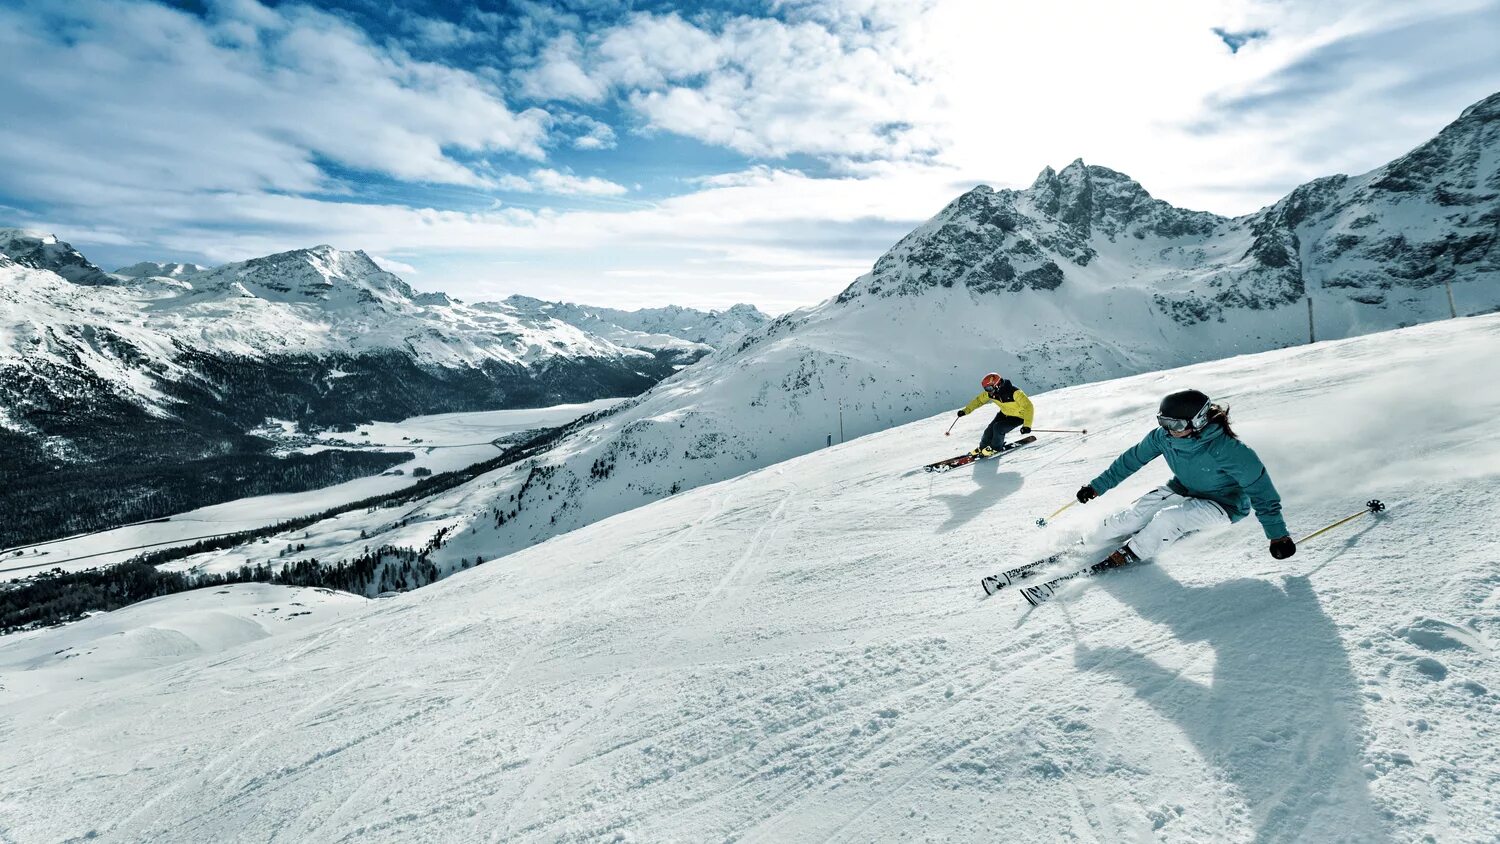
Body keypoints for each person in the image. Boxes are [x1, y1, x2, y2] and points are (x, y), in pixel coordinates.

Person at [1074, 389, 1295, 568]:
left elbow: (1262, 493)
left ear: (1198, 421)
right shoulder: (1163, 438)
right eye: (1164, 422)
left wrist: (1278, 537)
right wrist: (1096, 487)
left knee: (1168, 519)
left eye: (1176, 425)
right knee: (1134, 517)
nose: (1169, 430)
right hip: (1184, 488)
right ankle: (1090, 542)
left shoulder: (1229, 450)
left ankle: (1131, 553)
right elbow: (1131, 460)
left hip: (1224, 505)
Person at [956, 372, 1034, 457]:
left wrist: (1027, 426)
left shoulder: (1015, 392)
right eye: (986, 389)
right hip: (1004, 413)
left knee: (998, 428)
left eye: (989, 388)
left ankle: (996, 448)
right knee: (988, 431)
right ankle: (982, 448)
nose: (988, 391)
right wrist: (965, 411)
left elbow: (1028, 407)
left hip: (1018, 417)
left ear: (997, 384)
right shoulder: (991, 393)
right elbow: (979, 400)